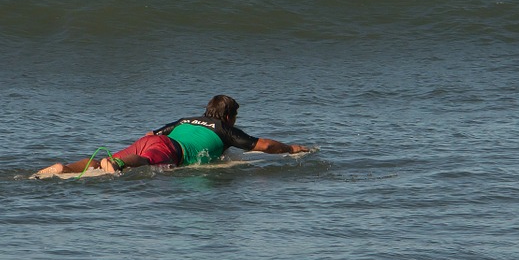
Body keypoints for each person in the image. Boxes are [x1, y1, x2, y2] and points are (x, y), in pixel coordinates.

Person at [32, 95, 311, 177]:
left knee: (105, 159)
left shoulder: (186, 119)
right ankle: (119, 164)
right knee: (141, 160)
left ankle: (65, 167)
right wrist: (292, 148)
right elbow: (262, 145)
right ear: (228, 117)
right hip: (168, 149)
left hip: (155, 140)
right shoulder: (225, 129)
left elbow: (151, 133)